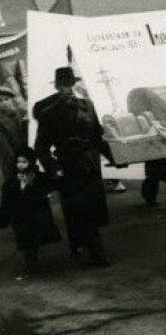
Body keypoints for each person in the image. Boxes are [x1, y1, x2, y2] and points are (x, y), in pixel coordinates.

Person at [34, 66, 113, 266]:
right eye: (62, 85)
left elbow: (97, 136)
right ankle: (97, 252)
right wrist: (53, 169)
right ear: (57, 86)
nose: (66, 89)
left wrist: (114, 157)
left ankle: (80, 242)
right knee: (79, 207)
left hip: (90, 162)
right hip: (68, 164)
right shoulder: (48, 113)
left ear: (73, 84)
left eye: (69, 84)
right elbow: (41, 147)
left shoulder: (88, 105)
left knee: (88, 208)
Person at [0, 147, 62, 273]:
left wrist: (57, 178)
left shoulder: (38, 177)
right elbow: (7, 200)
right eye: (19, 162)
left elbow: (53, 183)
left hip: (36, 213)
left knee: (34, 236)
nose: (21, 165)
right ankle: (31, 259)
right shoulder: (11, 181)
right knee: (25, 238)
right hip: (21, 216)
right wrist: (4, 218)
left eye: (24, 162)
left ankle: (32, 258)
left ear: (31, 162)